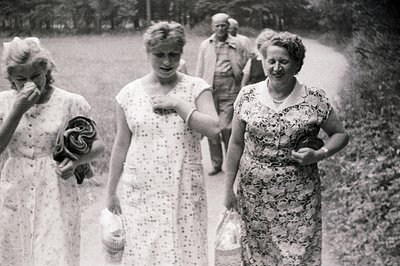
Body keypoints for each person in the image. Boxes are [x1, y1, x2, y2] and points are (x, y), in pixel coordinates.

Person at [224, 32, 349, 265]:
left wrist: (319, 154)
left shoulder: (314, 99)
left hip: (300, 194)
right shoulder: (247, 96)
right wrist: (228, 188)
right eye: (271, 61)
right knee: (259, 256)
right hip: (255, 194)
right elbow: (236, 142)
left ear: (297, 64)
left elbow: (340, 135)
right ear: (263, 61)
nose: (276, 67)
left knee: (298, 256)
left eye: (284, 61)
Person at [106, 21, 219, 265]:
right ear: (147, 53)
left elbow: (213, 128)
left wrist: (179, 105)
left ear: (181, 54)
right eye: (159, 55)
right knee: (145, 253)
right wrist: (110, 191)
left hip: (184, 189)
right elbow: (121, 145)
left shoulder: (196, 88)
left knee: (185, 251)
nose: (167, 62)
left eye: (173, 55)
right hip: (142, 191)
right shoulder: (128, 94)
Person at [0, 37, 105, 266]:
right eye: (20, 79)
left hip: (56, 189)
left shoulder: (69, 101)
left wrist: (77, 161)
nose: (29, 84)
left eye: (36, 76)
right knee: (16, 254)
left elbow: (98, 146)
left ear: (46, 70)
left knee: (54, 256)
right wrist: (18, 110)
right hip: (15, 188)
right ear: (10, 78)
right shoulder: (4, 103)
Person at [195, 13, 250, 176]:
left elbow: (247, 66)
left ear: (228, 26)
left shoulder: (238, 43)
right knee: (211, 127)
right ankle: (216, 164)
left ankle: (231, 163)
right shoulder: (206, 44)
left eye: (223, 25)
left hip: (230, 88)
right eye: (217, 26)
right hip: (210, 89)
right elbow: (200, 67)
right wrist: (197, 89)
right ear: (212, 27)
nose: (220, 28)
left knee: (227, 127)